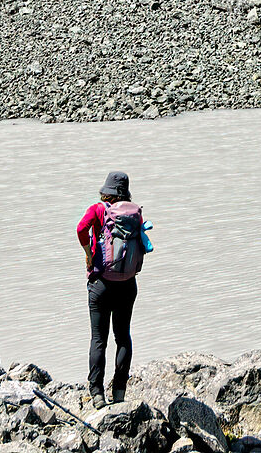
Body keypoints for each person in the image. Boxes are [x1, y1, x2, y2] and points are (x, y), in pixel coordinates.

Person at [76, 169, 147, 403]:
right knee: (123, 337)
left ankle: (97, 394)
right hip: (128, 284)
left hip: (101, 284)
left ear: (106, 191)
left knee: (99, 339)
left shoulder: (98, 210)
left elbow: (80, 229)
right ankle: (119, 393)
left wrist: (88, 253)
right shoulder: (134, 213)